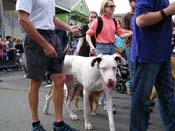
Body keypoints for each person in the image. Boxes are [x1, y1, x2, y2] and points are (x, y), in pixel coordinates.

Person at [16, 0, 79, 131]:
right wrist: (44, 44)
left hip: (53, 35)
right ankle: (35, 124)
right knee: (36, 82)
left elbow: (51, 18)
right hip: (35, 36)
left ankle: (58, 124)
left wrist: (69, 27)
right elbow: (23, 19)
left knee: (60, 79)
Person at [130, 0, 175, 130]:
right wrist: (168, 11)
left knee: (167, 97)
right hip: (147, 56)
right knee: (142, 101)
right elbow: (141, 20)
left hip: (163, 55)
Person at [86, 0, 132, 106]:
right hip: (101, 48)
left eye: (113, 6)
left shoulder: (114, 21)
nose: (112, 7)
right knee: (101, 76)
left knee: (111, 75)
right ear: (104, 7)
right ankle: (102, 100)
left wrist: (133, 33)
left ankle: (105, 100)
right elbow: (88, 34)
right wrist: (92, 46)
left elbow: (120, 34)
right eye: (110, 6)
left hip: (112, 48)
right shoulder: (98, 20)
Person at [123, 0, 135, 95]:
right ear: (130, 2)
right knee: (133, 68)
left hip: (141, 45)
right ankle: (131, 86)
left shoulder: (141, 13)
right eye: (135, 1)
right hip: (130, 45)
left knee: (140, 69)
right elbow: (123, 31)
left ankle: (131, 84)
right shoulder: (127, 16)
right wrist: (133, 32)